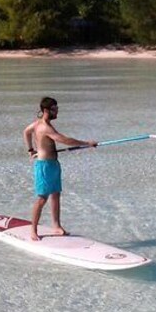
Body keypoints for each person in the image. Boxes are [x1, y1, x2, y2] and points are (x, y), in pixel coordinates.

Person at [23, 97, 97, 241]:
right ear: (46, 110)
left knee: (56, 195)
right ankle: (33, 230)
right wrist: (87, 143)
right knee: (42, 199)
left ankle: (56, 226)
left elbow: (26, 132)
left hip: (54, 164)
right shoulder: (44, 127)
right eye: (54, 109)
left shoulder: (39, 124)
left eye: (57, 109)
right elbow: (65, 140)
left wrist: (30, 149)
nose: (57, 112)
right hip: (44, 166)